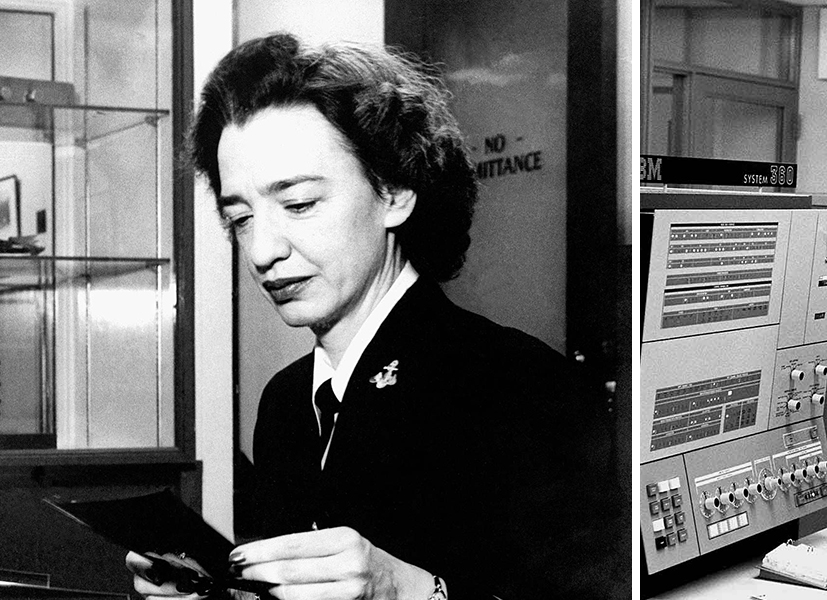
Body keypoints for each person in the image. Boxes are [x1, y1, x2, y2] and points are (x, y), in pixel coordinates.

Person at [126, 33, 621, 599]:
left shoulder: (521, 387)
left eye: (299, 204)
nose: (261, 251)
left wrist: (406, 591)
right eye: (240, 218)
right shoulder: (286, 405)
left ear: (394, 192)